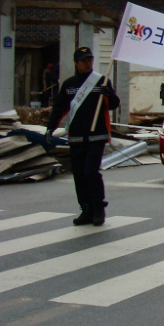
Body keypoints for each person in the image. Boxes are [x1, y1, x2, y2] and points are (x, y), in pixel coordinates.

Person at [46, 48, 120, 226]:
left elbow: (114, 104)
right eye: (84, 60)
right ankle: (85, 209)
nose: (88, 63)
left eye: (90, 60)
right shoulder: (69, 84)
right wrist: (50, 127)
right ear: (76, 63)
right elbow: (60, 107)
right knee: (79, 174)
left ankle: (98, 208)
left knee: (90, 171)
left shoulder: (102, 81)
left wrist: (107, 93)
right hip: (77, 136)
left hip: (97, 135)